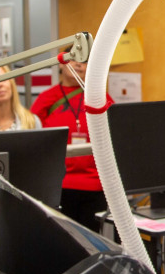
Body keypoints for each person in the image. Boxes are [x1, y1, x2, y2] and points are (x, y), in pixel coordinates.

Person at [31, 56, 111, 232]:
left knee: (91, 240)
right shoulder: (46, 98)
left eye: (83, 61)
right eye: (73, 59)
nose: (78, 64)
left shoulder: (99, 98)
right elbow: (33, 136)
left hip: (94, 185)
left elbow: (114, 136)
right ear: (62, 63)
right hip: (58, 185)